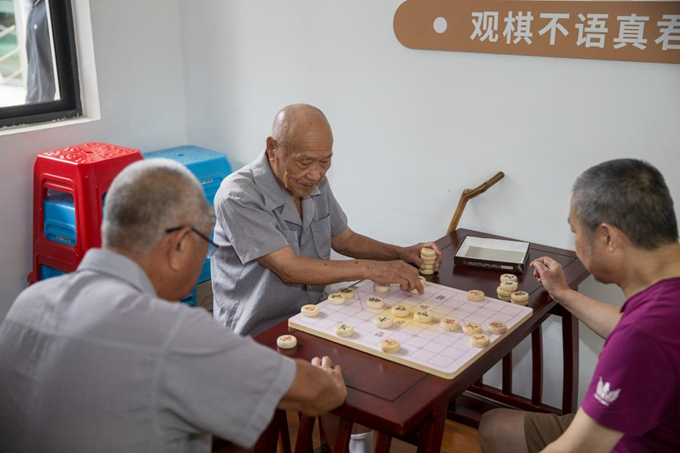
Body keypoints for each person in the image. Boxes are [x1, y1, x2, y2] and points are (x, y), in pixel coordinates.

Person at [0, 159, 346, 453]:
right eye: (206, 243)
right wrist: (328, 380)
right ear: (179, 245)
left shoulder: (28, 303)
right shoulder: (171, 331)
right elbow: (316, 393)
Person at [479, 159, 680, 452]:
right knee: (495, 427)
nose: (575, 241)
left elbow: (576, 448)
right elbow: (629, 325)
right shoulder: (661, 306)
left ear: (608, 238)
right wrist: (562, 293)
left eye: (575, 231)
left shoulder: (641, 337)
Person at [211, 104, 442, 337]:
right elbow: (289, 269)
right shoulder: (239, 196)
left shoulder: (312, 180)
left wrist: (401, 253)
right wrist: (372, 268)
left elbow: (345, 240)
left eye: (324, 162)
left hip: (314, 314)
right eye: (304, 162)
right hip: (257, 331)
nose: (316, 174)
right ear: (273, 148)